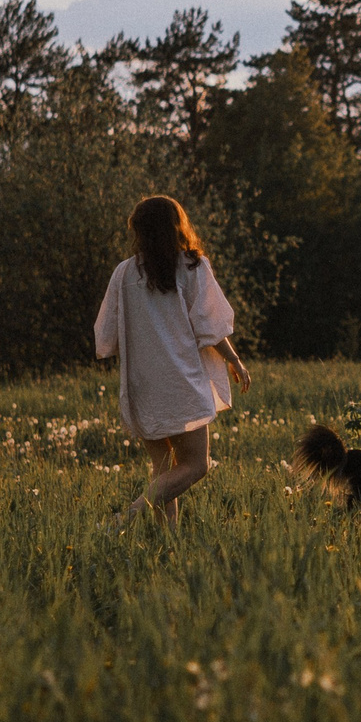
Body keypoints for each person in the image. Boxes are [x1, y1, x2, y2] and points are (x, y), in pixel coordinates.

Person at [94, 195, 251, 530]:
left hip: (141, 382)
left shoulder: (124, 273)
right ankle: (124, 520)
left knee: (164, 469)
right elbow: (209, 326)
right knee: (196, 465)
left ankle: (168, 543)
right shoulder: (192, 266)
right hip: (179, 381)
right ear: (176, 225)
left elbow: (106, 335)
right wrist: (234, 359)